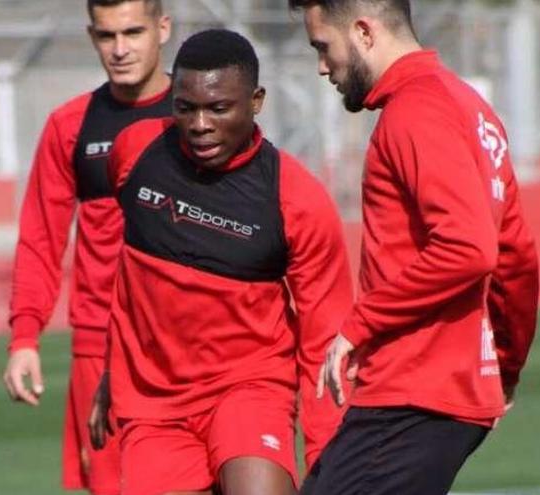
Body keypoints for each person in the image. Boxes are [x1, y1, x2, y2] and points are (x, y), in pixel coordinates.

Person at [288, 1, 540, 494]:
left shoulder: (415, 110)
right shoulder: (470, 107)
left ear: (363, 31)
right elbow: (516, 257)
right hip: (442, 394)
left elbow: (470, 248)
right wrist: (504, 364)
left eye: (323, 46)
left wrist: (359, 325)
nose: (322, 66)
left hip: (411, 393)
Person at [88, 29, 353, 495]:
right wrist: (112, 370)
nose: (199, 125)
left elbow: (324, 343)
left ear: (256, 101)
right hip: (153, 404)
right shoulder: (135, 154)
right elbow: (130, 275)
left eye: (218, 108)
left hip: (249, 389)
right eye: (185, 107)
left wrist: (326, 459)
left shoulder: (297, 198)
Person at [1, 0, 172, 493]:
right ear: (92, 36)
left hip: (187, 342)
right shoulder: (70, 126)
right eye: (106, 36)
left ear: (162, 28)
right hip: (99, 347)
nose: (120, 49)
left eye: (133, 32)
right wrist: (24, 338)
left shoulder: (202, 114)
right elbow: (40, 237)